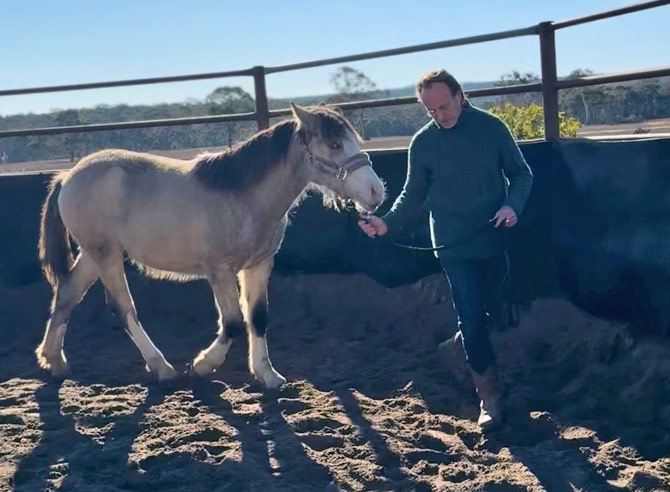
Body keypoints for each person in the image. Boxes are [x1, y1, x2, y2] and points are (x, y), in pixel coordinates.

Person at [358, 69, 533, 431]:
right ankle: (489, 397)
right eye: (431, 111)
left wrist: (512, 206)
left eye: (444, 105)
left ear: (460, 95)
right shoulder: (423, 142)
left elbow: (521, 174)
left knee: (493, 313)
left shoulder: (491, 128)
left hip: (492, 237)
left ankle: (458, 345)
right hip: (452, 245)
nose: (441, 115)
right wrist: (386, 223)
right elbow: (412, 194)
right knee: (469, 313)